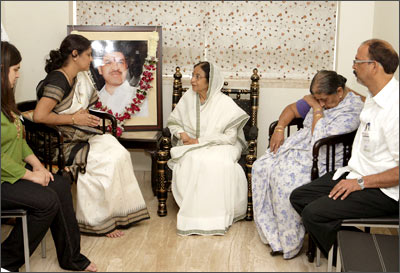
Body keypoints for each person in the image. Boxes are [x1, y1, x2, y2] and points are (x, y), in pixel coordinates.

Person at [290, 39, 399, 258]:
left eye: (358, 61)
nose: (353, 67)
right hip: (357, 173)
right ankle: (359, 251)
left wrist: (360, 183)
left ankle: (362, 259)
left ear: (374, 66)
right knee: (299, 196)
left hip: (384, 190)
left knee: (314, 214)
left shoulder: (395, 108)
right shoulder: (372, 97)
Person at [33, 34, 150, 238]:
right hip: (60, 143)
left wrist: (88, 120)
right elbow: (39, 116)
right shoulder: (58, 80)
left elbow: (87, 106)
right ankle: (97, 222)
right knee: (105, 161)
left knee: (118, 152)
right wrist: (74, 120)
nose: (91, 60)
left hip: (80, 136)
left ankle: (121, 214)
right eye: (88, 55)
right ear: (75, 55)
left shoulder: (80, 77)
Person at [1, 41, 97, 272]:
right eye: (15, 69)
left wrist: (38, 168)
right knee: (47, 202)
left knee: (60, 184)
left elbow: (19, 140)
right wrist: (29, 176)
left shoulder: (6, 104)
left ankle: (72, 258)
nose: (18, 75)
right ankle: (5, 261)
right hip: (4, 179)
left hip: (12, 175)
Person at [251, 70, 363, 259]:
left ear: (339, 92)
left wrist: (316, 108)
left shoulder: (353, 109)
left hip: (323, 155)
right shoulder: (321, 97)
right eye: (316, 99)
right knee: (260, 167)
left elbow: (319, 138)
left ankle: (290, 242)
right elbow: (291, 110)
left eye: (323, 100)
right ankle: (273, 234)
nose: (320, 103)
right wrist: (279, 128)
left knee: (284, 181)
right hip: (301, 146)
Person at [166, 61, 250, 235]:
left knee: (219, 163)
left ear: (209, 81)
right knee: (194, 160)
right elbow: (174, 121)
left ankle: (217, 217)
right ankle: (196, 215)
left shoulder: (224, 103)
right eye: (193, 75)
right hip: (192, 144)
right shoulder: (188, 98)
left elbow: (230, 137)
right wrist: (183, 135)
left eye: (198, 76)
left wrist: (199, 140)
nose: (193, 80)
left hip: (224, 145)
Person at [95, 43, 148, 117]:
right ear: (100, 69)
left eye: (120, 62)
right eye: (108, 63)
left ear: (126, 67)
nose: (115, 68)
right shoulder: (94, 100)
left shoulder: (140, 97)